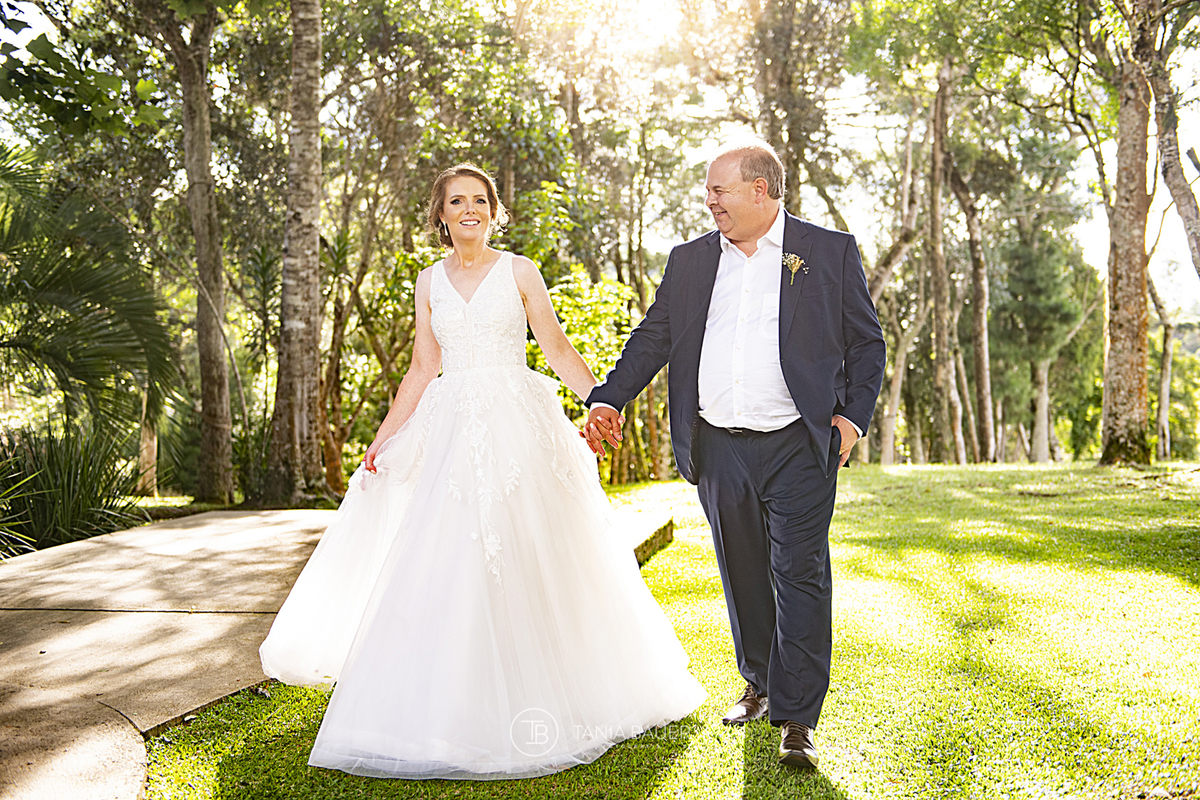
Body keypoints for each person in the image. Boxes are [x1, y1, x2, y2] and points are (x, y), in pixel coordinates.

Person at [259, 163, 704, 780]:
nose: (469, 210)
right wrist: (384, 439)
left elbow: (555, 348)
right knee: (448, 558)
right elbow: (421, 368)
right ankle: (451, 702)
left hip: (518, 427)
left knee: (527, 553)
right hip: (449, 431)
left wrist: (602, 401)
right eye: (456, 201)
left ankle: (556, 687)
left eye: (480, 200)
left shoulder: (520, 271)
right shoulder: (427, 282)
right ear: (440, 214)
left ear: (495, 210)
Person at [584, 140, 885, 769]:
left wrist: (852, 421)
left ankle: (797, 718)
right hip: (718, 443)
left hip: (800, 444)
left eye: (719, 190)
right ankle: (760, 683)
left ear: (761, 190)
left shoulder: (827, 251)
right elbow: (654, 337)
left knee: (800, 573)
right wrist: (609, 398)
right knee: (742, 570)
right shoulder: (691, 260)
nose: (709, 200)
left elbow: (866, 343)